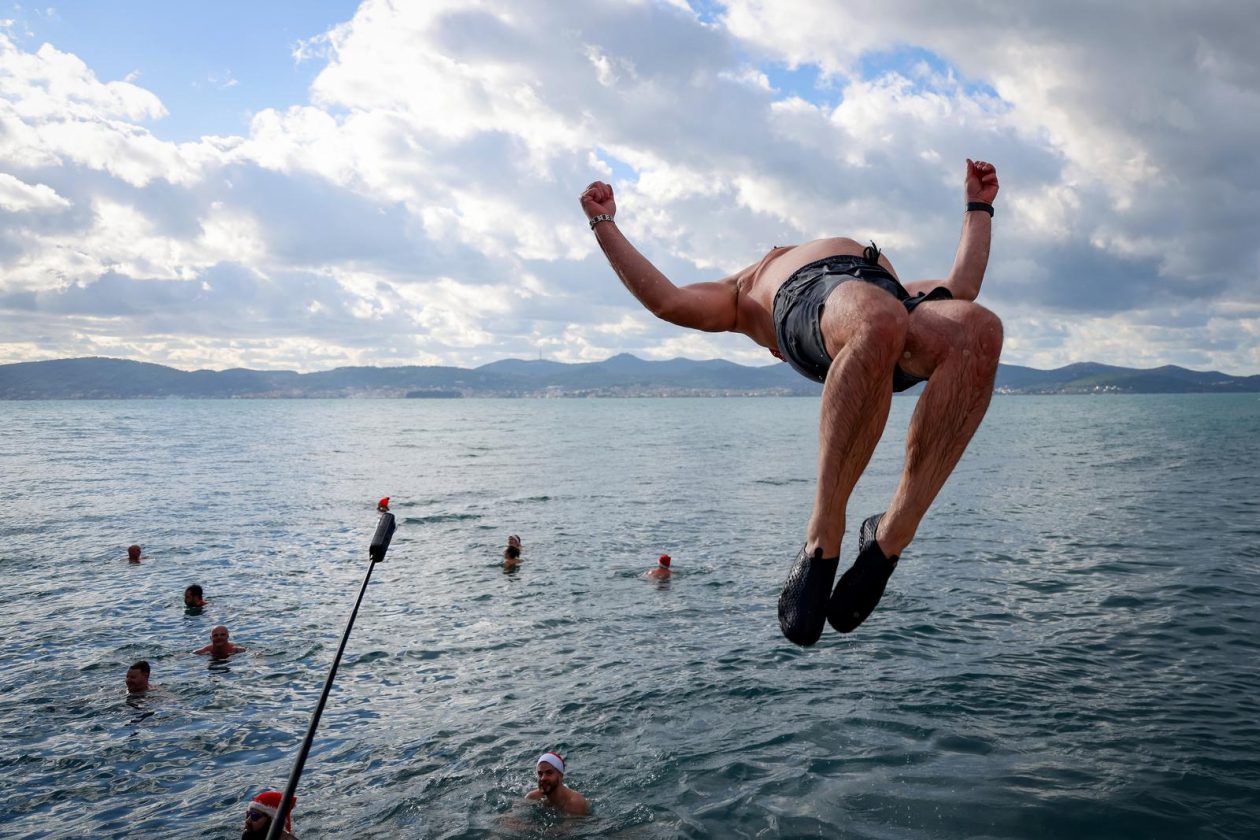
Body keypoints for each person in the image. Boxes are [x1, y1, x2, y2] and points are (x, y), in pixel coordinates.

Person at [581, 159, 1003, 645]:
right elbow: (668, 301)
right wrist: (603, 223)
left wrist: (978, 207)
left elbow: (960, 288)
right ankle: (824, 536)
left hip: (884, 298)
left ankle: (892, 534)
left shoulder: (885, 298)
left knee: (979, 329)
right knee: (878, 317)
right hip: (822, 303)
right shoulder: (740, 291)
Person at [525, 751, 589, 816]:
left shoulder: (575, 803)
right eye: (540, 774)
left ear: (561, 775)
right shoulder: (532, 797)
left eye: (549, 773)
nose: (543, 778)